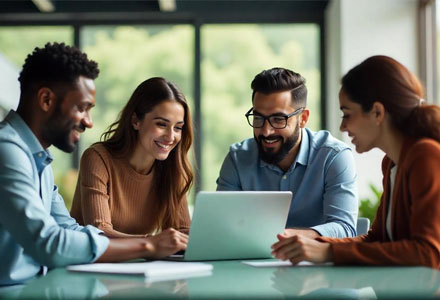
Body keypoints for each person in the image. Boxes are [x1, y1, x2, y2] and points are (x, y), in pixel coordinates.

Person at [0, 43, 187, 286]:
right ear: (46, 100)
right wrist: (148, 244)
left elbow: (70, 229)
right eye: (82, 108)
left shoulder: (39, 160)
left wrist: (161, 243)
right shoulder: (6, 150)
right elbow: (49, 242)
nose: (88, 122)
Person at [271, 55, 440, 268]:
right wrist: (314, 244)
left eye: (346, 114)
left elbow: (429, 253)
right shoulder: (391, 163)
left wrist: (329, 251)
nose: (342, 127)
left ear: (377, 112)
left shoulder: (426, 156)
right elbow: (377, 240)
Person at [217, 67, 358, 238]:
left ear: (303, 119)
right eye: (258, 118)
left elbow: (345, 228)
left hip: (315, 262)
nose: (266, 131)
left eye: (278, 119)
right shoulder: (237, 158)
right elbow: (221, 226)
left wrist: (281, 236)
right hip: (249, 262)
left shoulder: (333, 156)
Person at [70, 77, 193, 238]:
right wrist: (152, 243)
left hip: (142, 262)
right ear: (136, 121)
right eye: (161, 124)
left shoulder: (172, 168)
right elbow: (99, 232)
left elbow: (182, 232)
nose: (171, 137)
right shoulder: (97, 158)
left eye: (178, 128)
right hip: (92, 261)